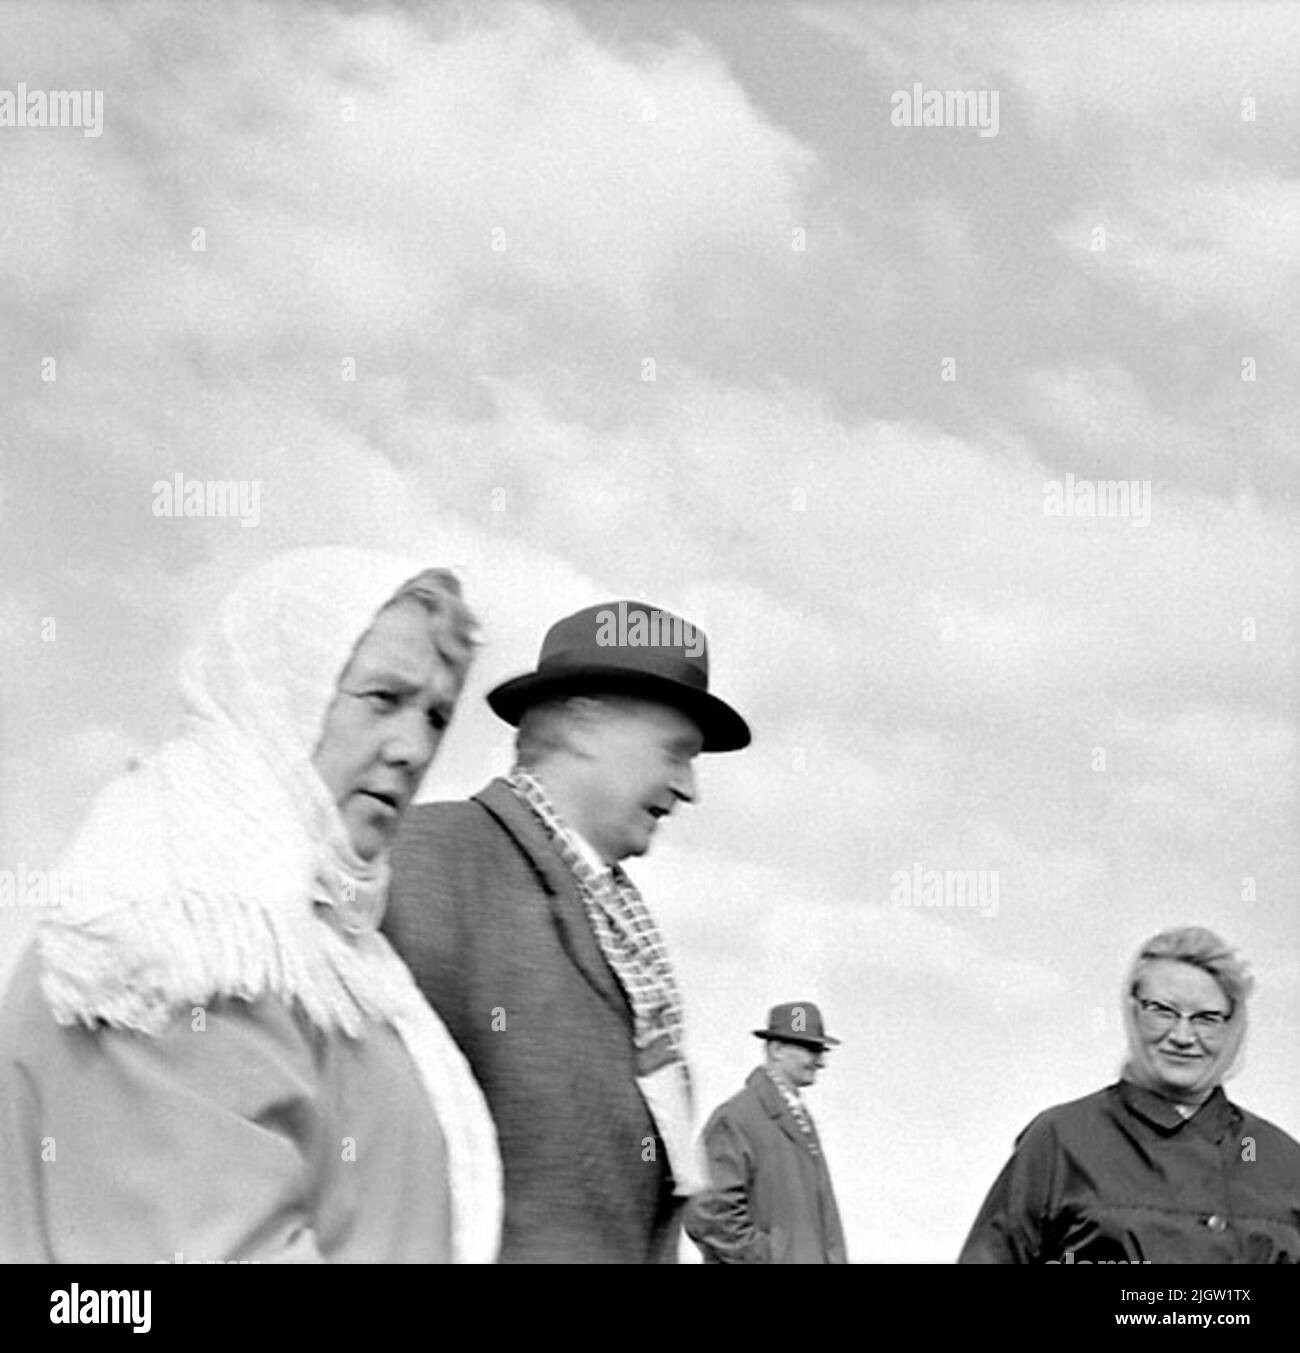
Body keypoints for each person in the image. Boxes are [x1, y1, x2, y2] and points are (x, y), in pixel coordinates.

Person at [0, 547, 502, 1263]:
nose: (414, 747)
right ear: (277, 695)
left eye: (436, 716)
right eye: (383, 699)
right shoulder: (187, 920)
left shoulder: (326, 946)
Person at [384, 599, 751, 1262]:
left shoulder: (625, 932)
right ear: (588, 720)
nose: (689, 786)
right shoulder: (426, 867)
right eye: (677, 752)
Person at [959, 925, 1300, 1264]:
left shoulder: (1280, 1159)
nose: (1182, 1035)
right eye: (1162, 1011)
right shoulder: (1060, 1140)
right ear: (1133, 1010)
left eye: (1207, 1018)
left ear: (1233, 1025)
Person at [685, 1001, 848, 1264]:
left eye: (821, 1049)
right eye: (810, 1049)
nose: (820, 1061)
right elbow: (709, 1214)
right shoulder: (736, 1117)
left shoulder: (799, 1121)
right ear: (776, 1049)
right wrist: (769, 1258)